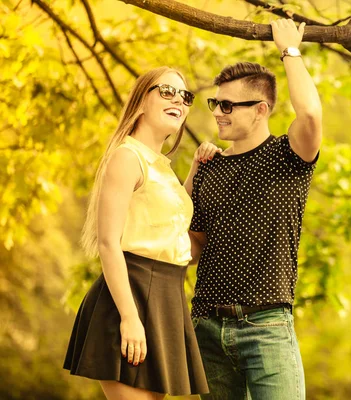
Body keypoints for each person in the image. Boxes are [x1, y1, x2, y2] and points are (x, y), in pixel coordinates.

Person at [185, 19, 322, 399]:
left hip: (267, 328)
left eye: (228, 105)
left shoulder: (288, 156)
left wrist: (289, 50)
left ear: (261, 110)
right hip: (207, 328)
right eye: (216, 103)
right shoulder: (209, 168)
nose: (217, 113)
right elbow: (191, 246)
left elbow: (310, 115)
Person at [64, 66, 221, 400]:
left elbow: (171, 225)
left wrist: (195, 169)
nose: (178, 99)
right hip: (131, 294)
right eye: (166, 91)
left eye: (185, 96)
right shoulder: (127, 156)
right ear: (140, 102)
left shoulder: (160, 166)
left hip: (167, 297)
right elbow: (108, 243)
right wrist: (129, 318)